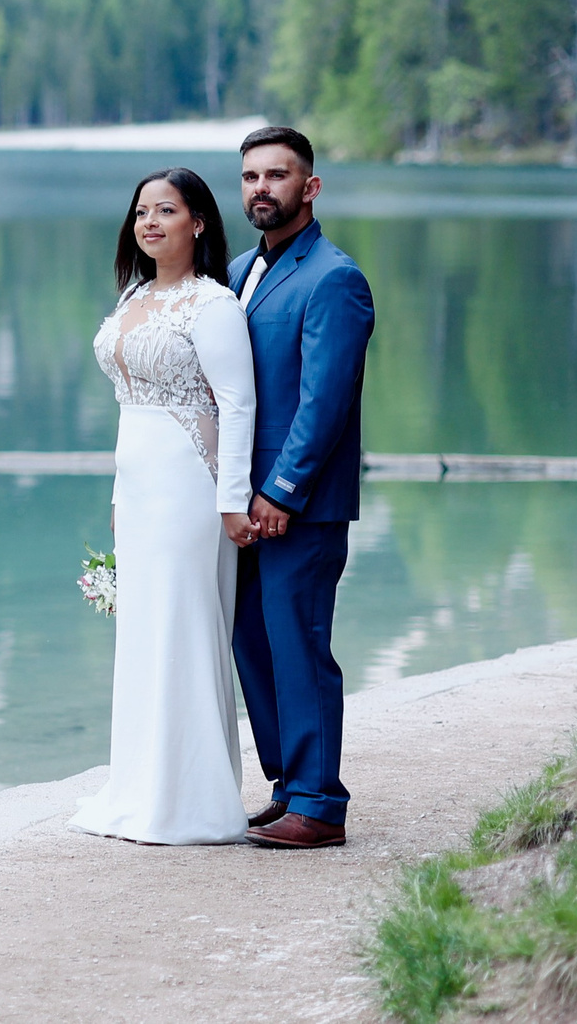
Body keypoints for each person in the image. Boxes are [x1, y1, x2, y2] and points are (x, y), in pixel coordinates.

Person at [69, 167, 259, 846]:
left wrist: (231, 498)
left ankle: (193, 801)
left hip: (190, 485)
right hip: (141, 488)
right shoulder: (133, 296)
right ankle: (140, 786)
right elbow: (128, 406)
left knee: (183, 625)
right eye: (141, 211)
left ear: (198, 222)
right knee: (143, 630)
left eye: (166, 210)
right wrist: (119, 495)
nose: (149, 222)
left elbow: (237, 403)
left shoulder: (211, 305)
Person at [227, 125, 375, 851]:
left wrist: (281, 491)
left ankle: (319, 802)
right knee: (250, 640)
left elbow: (324, 400)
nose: (262, 187)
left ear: (309, 187)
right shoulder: (236, 271)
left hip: (300, 505)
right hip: (238, 503)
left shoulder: (333, 277)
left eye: (276, 175)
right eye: (251, 175)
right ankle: (289, 783)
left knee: (298, 642)